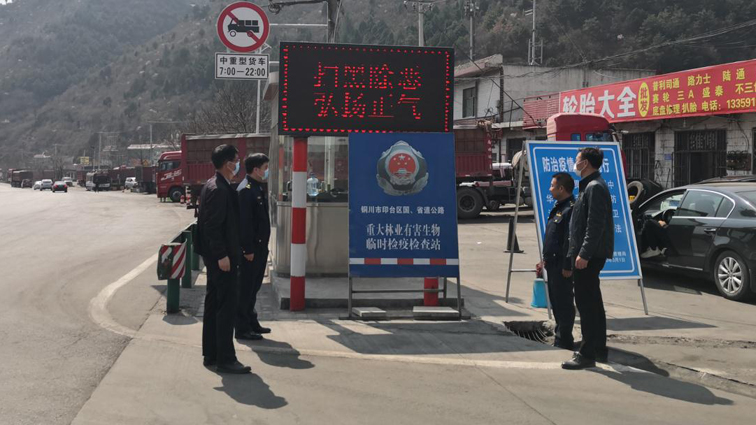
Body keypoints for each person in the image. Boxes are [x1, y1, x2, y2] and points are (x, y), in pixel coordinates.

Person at [195, 144, 251, 374]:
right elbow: (212, 226)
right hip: (222, 258)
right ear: (228, 163)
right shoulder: (218, 188)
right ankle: (226, 358)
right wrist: (222, 255)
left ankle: (212, 353)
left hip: (218, 256)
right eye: (237, 160)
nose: (238, 164)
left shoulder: (215, 185)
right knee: (225, 308)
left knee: (213, 305)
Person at [563, 147, 614, 370]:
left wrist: (584, 253)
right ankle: (599, 349)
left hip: (590, 255)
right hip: (588, 253)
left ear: (585, 164)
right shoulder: (589, 186)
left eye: (577, 160)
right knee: (593, 302)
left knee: (586, 304)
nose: (575, 164)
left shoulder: (595, 187)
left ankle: (586, 353)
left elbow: (595, 225)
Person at [536, 172, 576, 350]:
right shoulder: (559, 207)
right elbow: (553, 237)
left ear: (561, 188)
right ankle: (560, 336)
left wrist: (568, 265)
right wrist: (544, 259)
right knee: (556, 301)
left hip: (562, 265)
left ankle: (564, 340)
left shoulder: (571, 209)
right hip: (552, 262)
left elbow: (570, 240)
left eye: (552, 186)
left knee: (563, 303)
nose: (550, 189)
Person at [235, 153, 272, 341]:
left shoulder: (257, 187)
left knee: (254, 287)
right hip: (251, 250)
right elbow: (245, 224)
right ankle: (242, 328)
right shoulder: (246, 190)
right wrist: (247, 249)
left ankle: (251, 321)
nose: (268, 171)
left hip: (260, 248)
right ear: (256, 169)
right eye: (265, 167)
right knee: (245, 289)